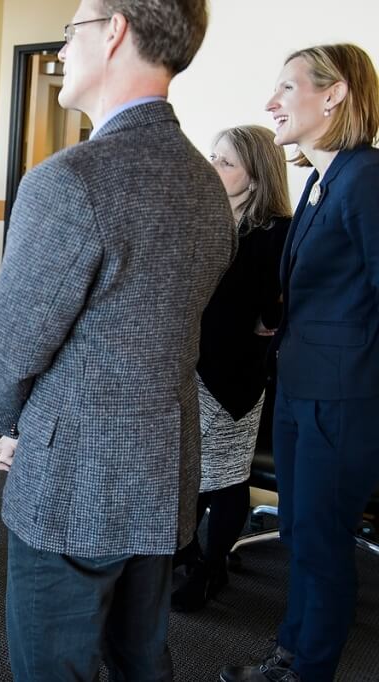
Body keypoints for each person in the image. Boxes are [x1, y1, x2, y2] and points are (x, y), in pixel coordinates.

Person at [0, 0, 236, 678]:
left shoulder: (70, 181)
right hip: (163, 469)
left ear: (114, 29)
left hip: (72, 478)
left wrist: (12, 424)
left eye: (72, 29)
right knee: (140, 659)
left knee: (53, 665)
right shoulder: (208, 185)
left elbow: (3, 355)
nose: (61, 50)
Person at [220, 43, 379, 682]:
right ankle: (290, 651)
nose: (271, 104)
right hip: (302, 386)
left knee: (320, 540)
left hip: (341, 397)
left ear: (335, 93)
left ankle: (307, 671)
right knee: (299, 535)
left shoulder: (367, 177)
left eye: (286, 89)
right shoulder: (322, 180)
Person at [171, 125, 291, 613]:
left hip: (232, 375)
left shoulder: (274, 230)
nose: (212, 166)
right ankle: (186, 552)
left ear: (256, 174)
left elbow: (278, 302)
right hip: (188, 364)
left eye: (225, 161)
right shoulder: (205, 216)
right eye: (213, 156)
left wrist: (268, 319)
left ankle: (211, 567)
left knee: (223, 477)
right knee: (186, 471)